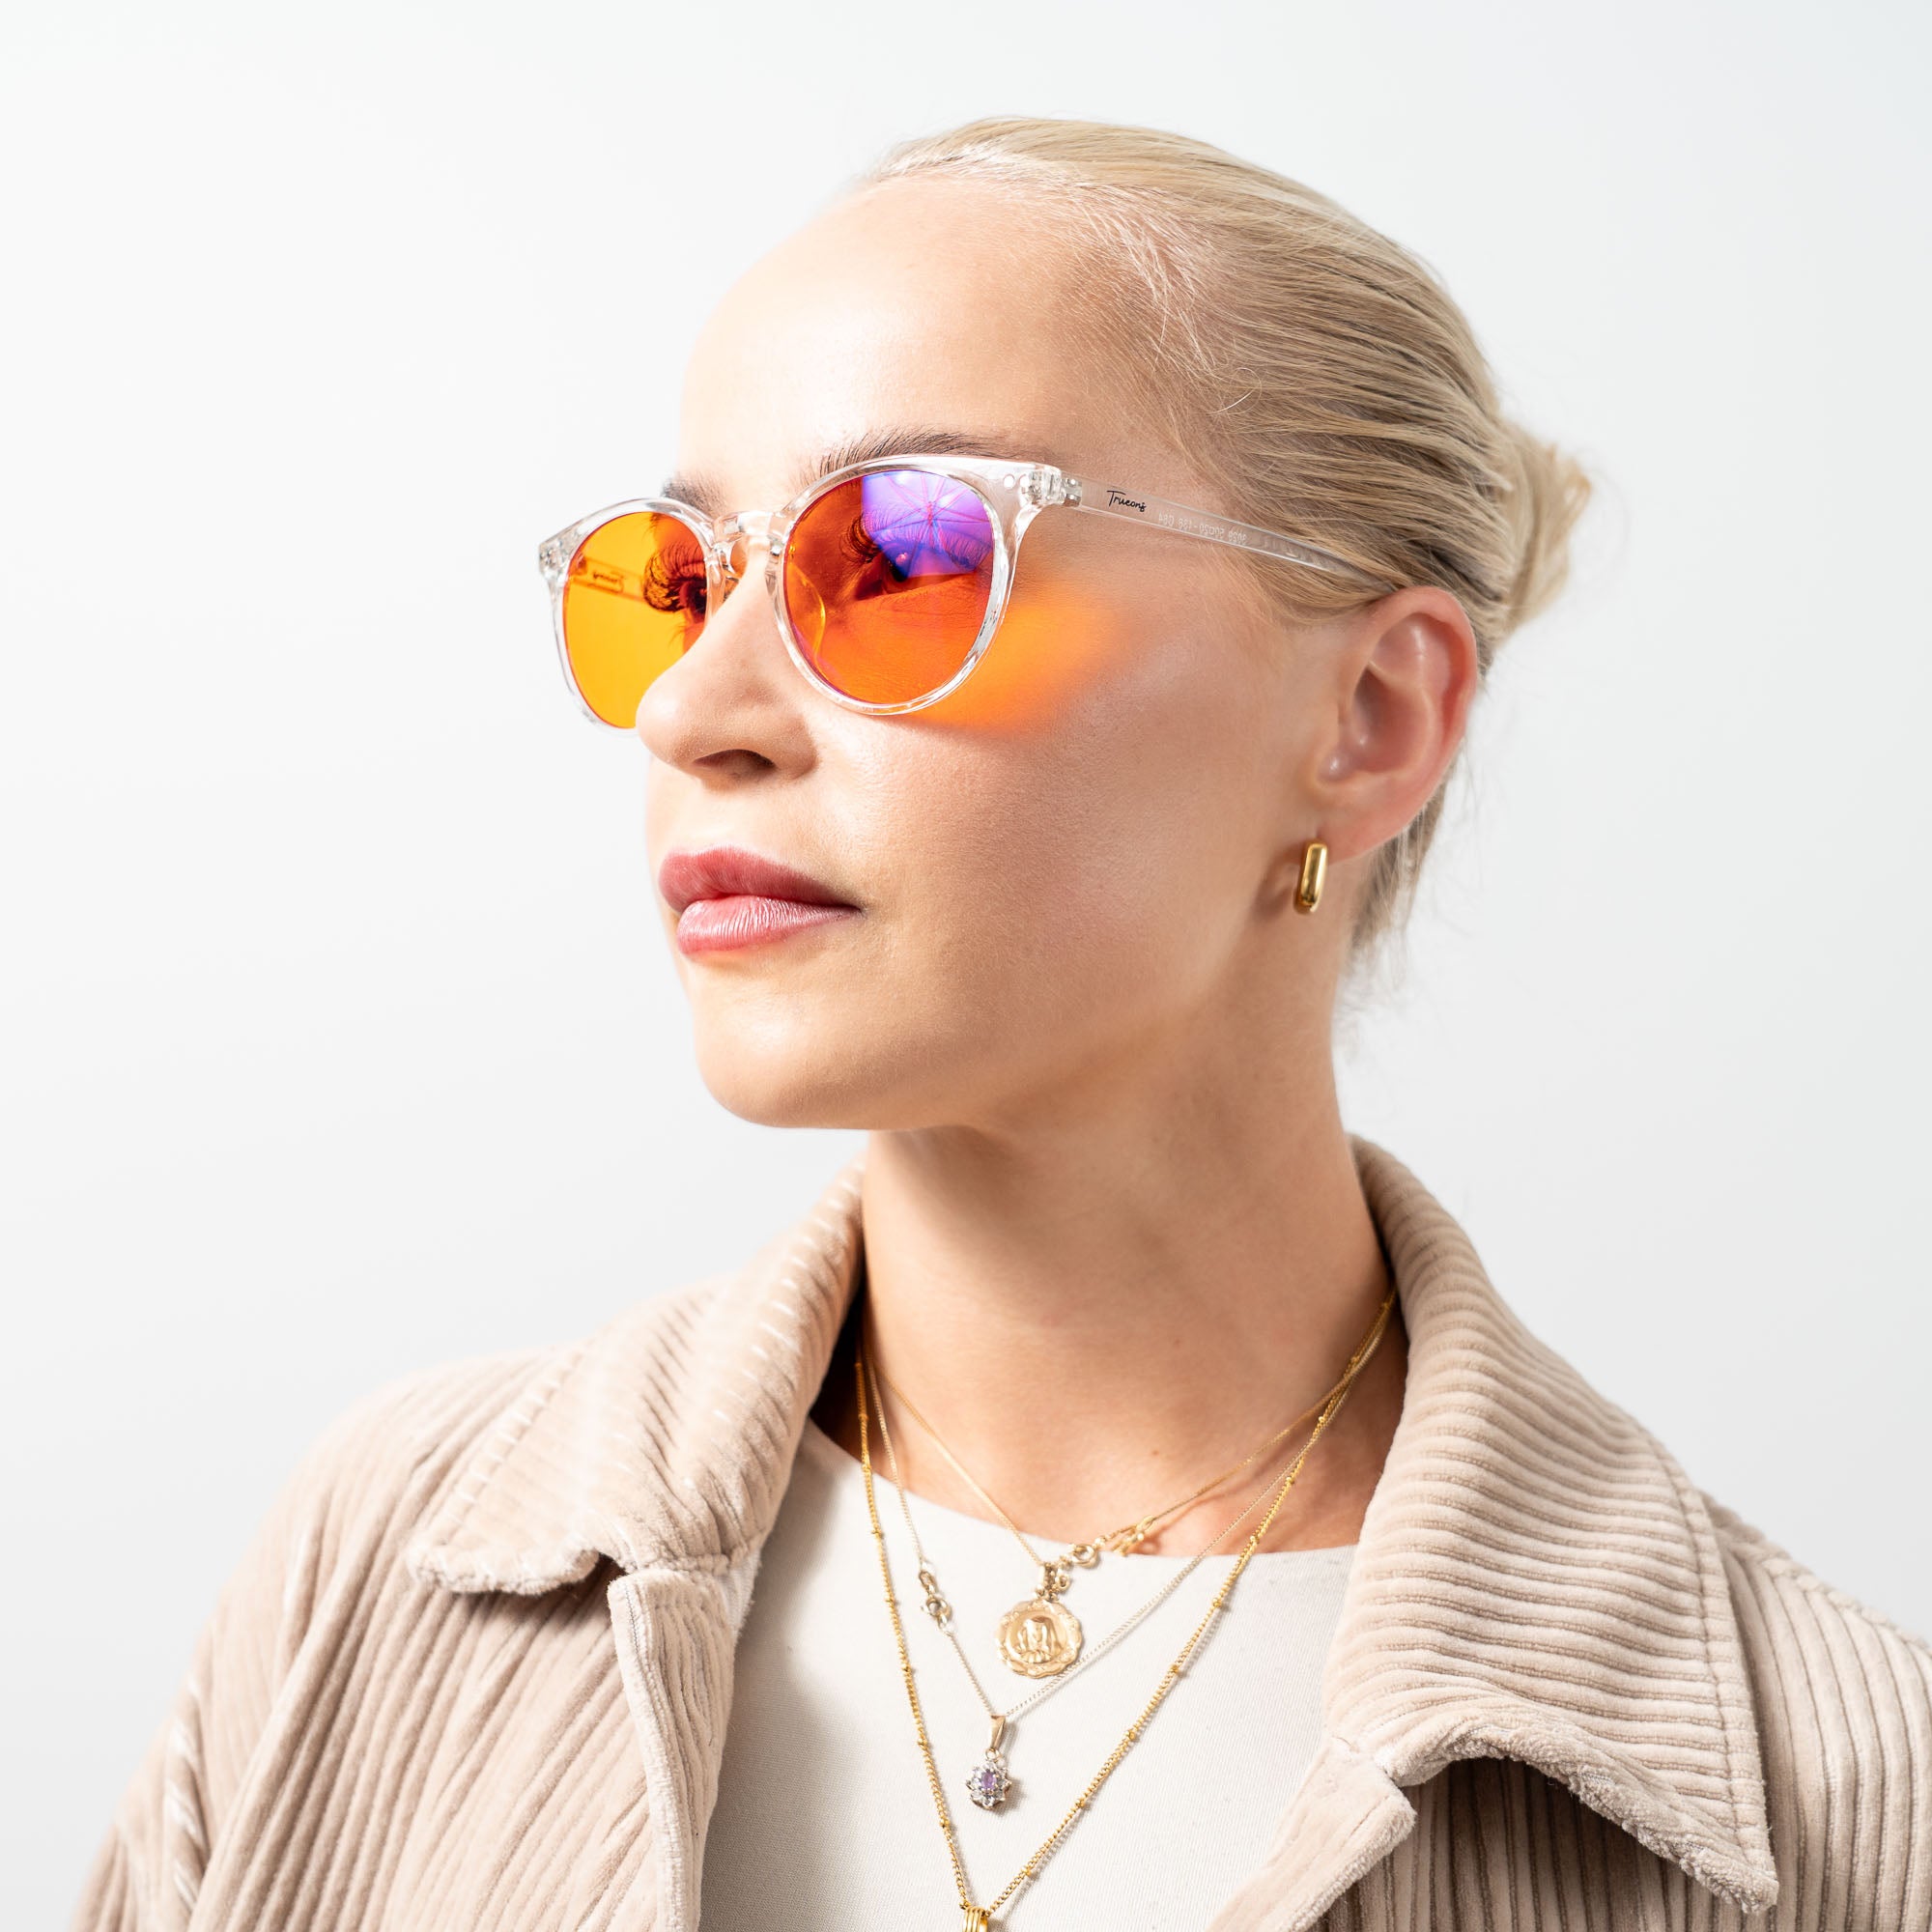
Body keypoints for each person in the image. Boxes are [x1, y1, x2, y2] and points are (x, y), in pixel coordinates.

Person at [72, 116, 1928, 1932]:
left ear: (1369, 716)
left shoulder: (1844, 1812)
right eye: (681, 580)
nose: (694, 709)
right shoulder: (387, 1563)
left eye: (901, 558)